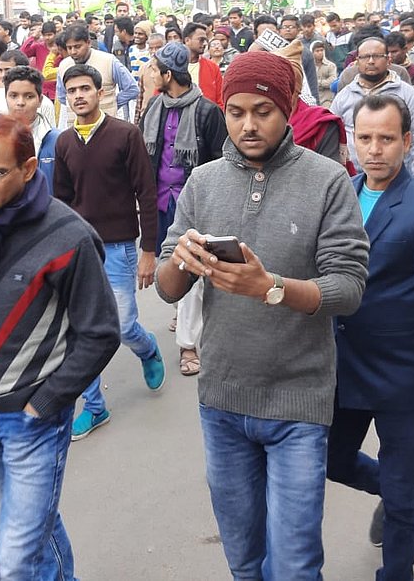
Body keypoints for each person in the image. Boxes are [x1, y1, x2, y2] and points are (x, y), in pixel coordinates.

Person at [156, 50, 367, 581]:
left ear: (288, 108)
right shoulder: (203, 182)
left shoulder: (327, 180)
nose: (248, 125)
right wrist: (182, 260)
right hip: (222, 400)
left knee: (294, 565)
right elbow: (165, 286)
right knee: (244, 560)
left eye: (262, 112)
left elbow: (347, 287)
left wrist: (270, 287)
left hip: (298, 403)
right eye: (236, 112)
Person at [0, 115, 119, 580]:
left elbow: (101, 332)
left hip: (31, 422)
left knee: (12, 560)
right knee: (31, 519)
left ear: (28, 169)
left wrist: (45, 402)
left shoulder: (69, 236)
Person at [327, 93, 414, 581]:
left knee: (404, 494)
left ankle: (396, 572)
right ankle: (384, 490)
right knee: (331, 461)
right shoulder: (341, 194)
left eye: (386, 139)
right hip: (342, 370)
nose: (374, 150)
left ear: (407, 142)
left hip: (400, 379)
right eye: (365, 138)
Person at [54, 64, 165, 439]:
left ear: (100, 93)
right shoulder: (64, 142)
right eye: (72, 91)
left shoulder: (125, 134)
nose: (79, 96)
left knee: (121, 326)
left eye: (85, 88)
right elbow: (61, 201)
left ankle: (147, 349)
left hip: (119, 247)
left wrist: (148, 250)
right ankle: (94, 407)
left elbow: (146, 193)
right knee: (82, 331)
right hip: (80, 250)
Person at [139, 42, 227, 377]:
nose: (150, 74)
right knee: (172, 266)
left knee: (191, 268)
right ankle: (183, 309)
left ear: (168, 74)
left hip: (194, 204)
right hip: (161, 202)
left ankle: (188, 345)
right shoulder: (153, 107)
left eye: (154, 69)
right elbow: (145, 157)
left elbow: (221, 162)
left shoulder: (207, 112)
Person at [330, 34, 414, 178]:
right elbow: (333, 138)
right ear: (357, 61)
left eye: (377, 56)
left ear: (388, 60)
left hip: (398, 179)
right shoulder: (344, 97)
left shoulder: (407, 94)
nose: (371, 61)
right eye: (365, 57)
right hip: (354, 179)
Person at [55, 24, 139, 125]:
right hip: (76, 126)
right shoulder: (64, 65)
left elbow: (132, 89)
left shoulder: (108, 61)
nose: (73, 52)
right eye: (69, 48)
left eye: (77, 47)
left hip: (105, 125)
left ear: (88, 43)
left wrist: (113, 103)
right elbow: (62, 96)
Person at [182, 22, 225, 106]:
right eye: (201, 40)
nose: (205, 44)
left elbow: (220, 100)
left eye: (206, 40)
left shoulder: (213, 68)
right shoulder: (173, 67)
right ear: (187, 40)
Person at [312, 40, 336, 108]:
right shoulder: (310, 66)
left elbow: (332, 81)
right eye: (317, 51)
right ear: (312, 52)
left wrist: (318, 83)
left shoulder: (330, 65)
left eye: (321, 50)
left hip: (327, 99)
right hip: (313, 99)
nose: (320, 53)